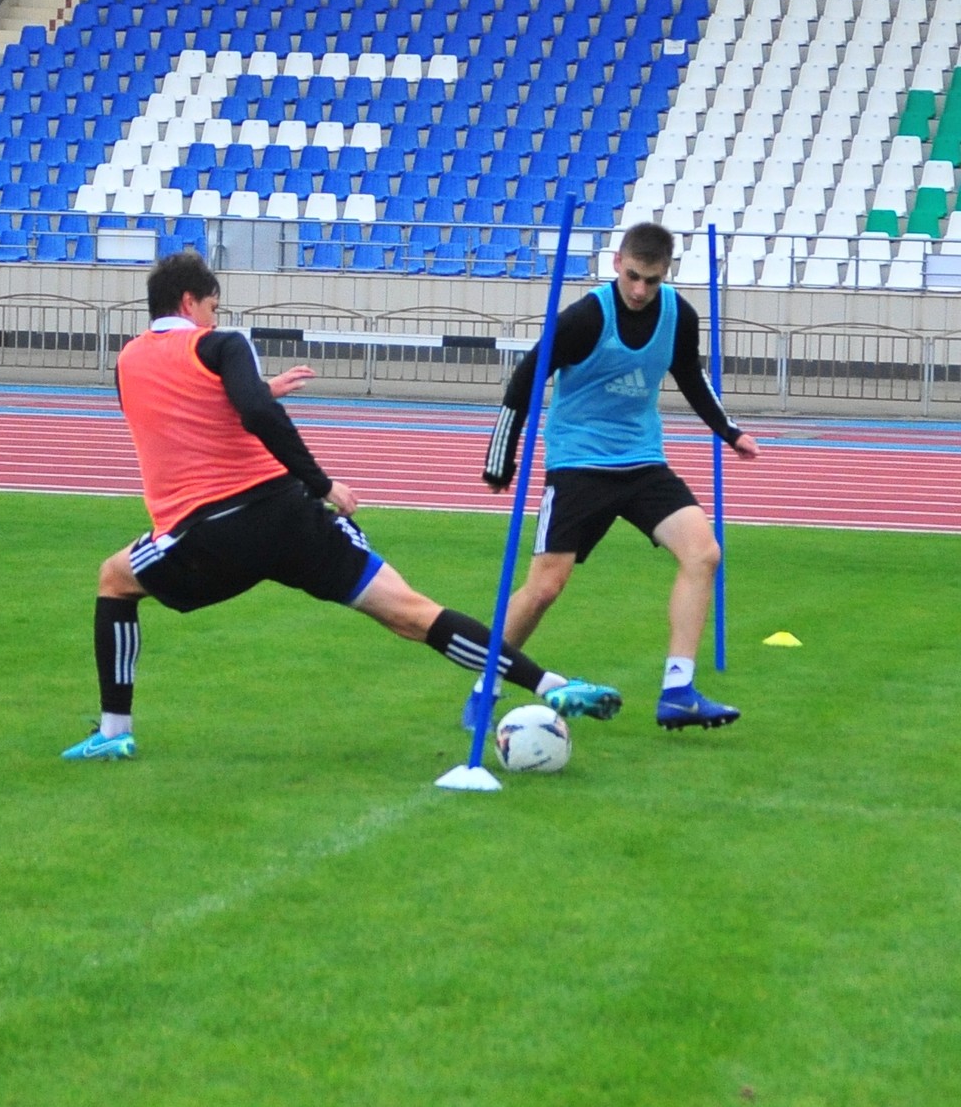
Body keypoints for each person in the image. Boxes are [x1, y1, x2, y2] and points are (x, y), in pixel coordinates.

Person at [62, 251, 621, 760]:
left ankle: (114, 733)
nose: (214, 314)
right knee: (413, 613)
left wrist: (258, 394)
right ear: (190, 302)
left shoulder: (128, 362)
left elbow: (180, 414)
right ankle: (554, 685)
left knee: (115, 579)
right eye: (212, 305)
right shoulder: (221, 344)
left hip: (211, 534)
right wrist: (322, 483)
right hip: (290, 517)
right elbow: (250, 412)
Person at [465, 222, 760, 733]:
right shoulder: (586, 317)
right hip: (579, 463)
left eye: (651, 279)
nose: (640, 290)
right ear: (616, 261)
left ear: (667, 272)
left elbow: (690, 375)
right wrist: (501, 458)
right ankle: (484, 686)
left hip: (642, 460)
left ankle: (678, 691)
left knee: (704, 553)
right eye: (632, 276)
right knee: (544, 588)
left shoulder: (677, 315)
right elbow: (524, 380)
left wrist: (729, 432)